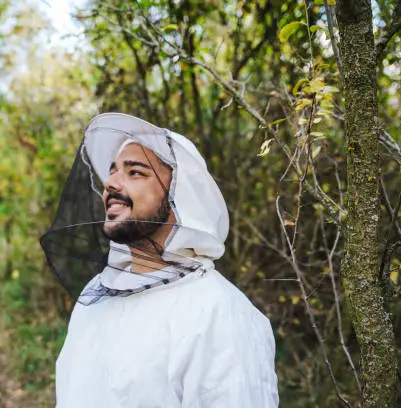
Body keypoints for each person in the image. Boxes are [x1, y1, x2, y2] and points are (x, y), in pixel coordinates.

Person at [41, 113, 279, 407]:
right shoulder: (95, 294)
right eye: (112, 170)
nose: (111, 183)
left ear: (180, 197)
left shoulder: (220, 313)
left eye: (135, 172)